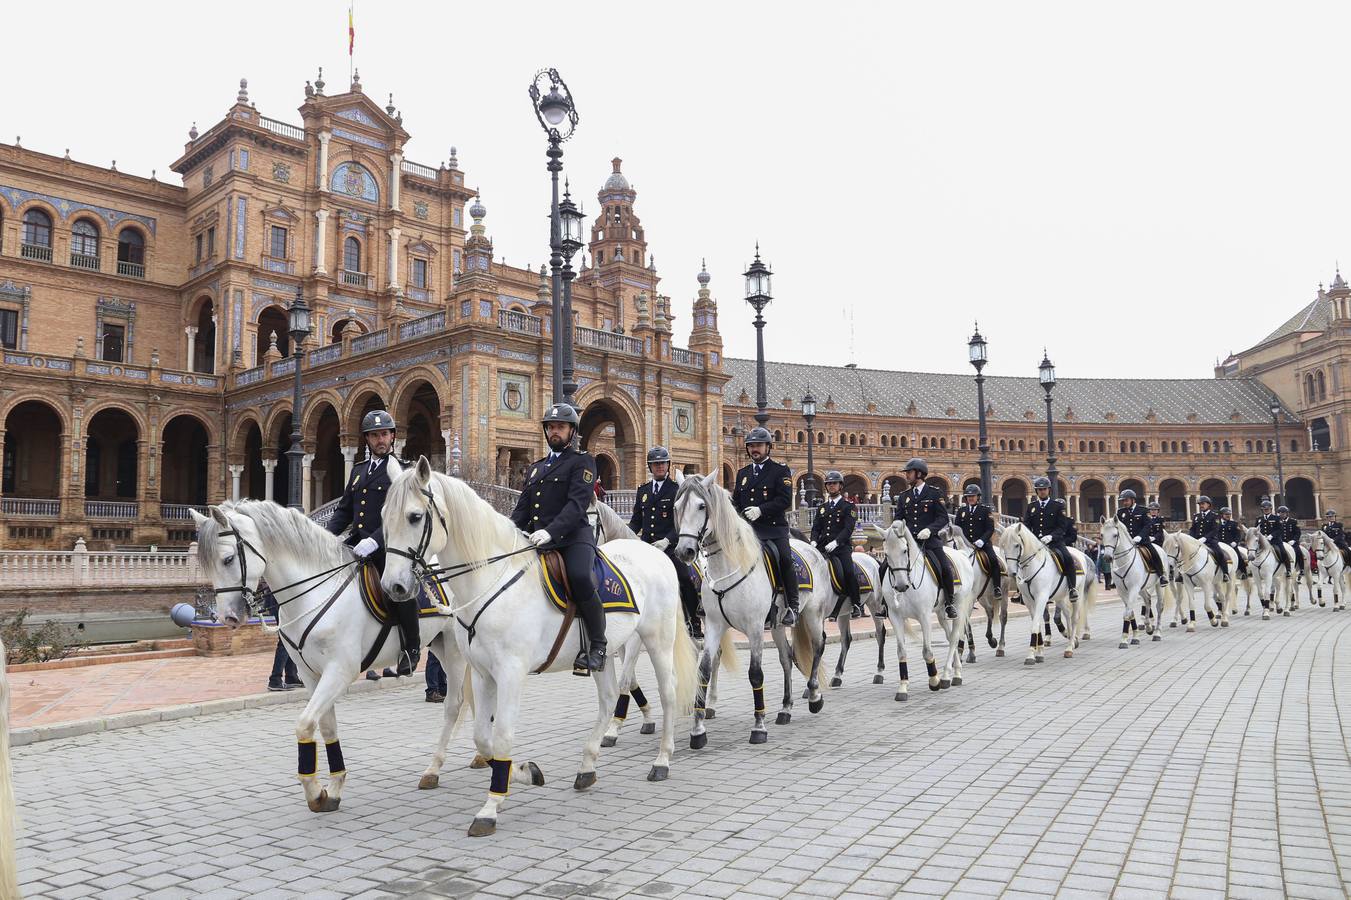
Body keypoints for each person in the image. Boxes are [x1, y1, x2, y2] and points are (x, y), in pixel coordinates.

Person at [510, 403, 607, 675]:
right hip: (539, 539)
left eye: (560, 427)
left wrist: (550, 531)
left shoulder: (582, 462)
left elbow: (576, 505)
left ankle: (598, 645)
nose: (555, 431)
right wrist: (507, 530)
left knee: (579, 576)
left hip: (573, 536)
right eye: (551, 427)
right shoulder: (536, 468)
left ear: (571, 431)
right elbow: (522, 508)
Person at [327, 409, 420, 676]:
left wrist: (375, 541)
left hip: (386, 544)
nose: (380, 439)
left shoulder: (401, 472)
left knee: (398, 587)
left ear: (392, 437)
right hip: (355, 541)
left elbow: (400, 516)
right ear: (367, 440)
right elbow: (344, 511)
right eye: (374, 435)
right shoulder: (358, 471)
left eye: (384, 434)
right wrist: (326, 537)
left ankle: (411, 647)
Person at [629, 446, 703, 639]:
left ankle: (695, 621)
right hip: (647, 547)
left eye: (663, 463)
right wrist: (627, 536)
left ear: (668, 465)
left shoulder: (677, 490)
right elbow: (637, 520)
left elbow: (682, 522)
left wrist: (667, 540)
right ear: (650, 467)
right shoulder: (643, 491)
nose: (660, 467)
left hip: (670, 547)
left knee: (685, 579)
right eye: (656, 464)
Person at [732, 426, 799, 626]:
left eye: (759, 445)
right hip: (749, 531)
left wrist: (761, 510)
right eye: (751, 446)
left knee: (785, 559)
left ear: (768, 447)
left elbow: (785, 499)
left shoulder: (780, 470)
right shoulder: (742, 473)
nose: (755, 449)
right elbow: (736, 501)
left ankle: (792, 605)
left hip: (773, 529)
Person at [894, 457, 957, 618]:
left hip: (930, 542)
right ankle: (884, 604)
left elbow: (943, 518)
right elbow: (898, 518)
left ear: (919, 473)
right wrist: (895, 528)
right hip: (909, 543)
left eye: (909, 472)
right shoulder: (904, 496)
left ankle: (950, 603)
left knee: (945, 569)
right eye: (906, 473)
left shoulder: (934, 493)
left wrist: (930, 530)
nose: (906, 475)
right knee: (886, 566)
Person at [812, 471, 862, 620]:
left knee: (848, 572)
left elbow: (848, 528)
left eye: (834, 483)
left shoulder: (848, 506)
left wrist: (836, 542)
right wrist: (813, 541)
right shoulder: (822, 507)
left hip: (841, 548)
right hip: (822, 547)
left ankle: (856, 604)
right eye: (828, 484)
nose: (831, 486)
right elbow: (816, 528)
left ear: (840, 486)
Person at [1022, 476, 1079, 600]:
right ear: (1036, 491)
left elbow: (1062, 527)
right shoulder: (1032, 506)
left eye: (1044, 489)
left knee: (1068, 558)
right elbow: (1027, 525)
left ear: (1049, 490)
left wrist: (1051, 536)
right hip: (1036, 544)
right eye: (1040, 489)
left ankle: (1072, 588)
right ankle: (1021, 592)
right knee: (1021, 561)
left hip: (1054, 543)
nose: (1042, 491)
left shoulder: (1057, 506)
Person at [955, 484, 1003, 599]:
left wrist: (982, 540)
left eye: (973, 496)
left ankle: (997, 587)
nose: (970, 498)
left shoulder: (985, 510)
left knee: (993, 560)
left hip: (983, 544)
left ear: (978, 497)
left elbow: (990, 528)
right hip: (966, 544)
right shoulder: (961, 510)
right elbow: (957, 528)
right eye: (968, 496)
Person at [1116, 489, 1164, 577]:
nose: (1124, 503)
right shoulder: (1120, 512)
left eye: (1126, 500)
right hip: (1127, 541)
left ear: (1133, 500)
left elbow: (1148, 525)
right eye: (1123, 501)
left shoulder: (1143, 510)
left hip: (1142, 541)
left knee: (1153, 553)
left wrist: (1140, 536)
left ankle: (1161, 575)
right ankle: (1115, 576)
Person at [1189, 495, 1229, 583]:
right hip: (1196, 541)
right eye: (1200, 504)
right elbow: (1192, 529)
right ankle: (1184, 574)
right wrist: (1190, 538)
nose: (1201, 506)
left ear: (1209, 505)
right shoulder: (1196, 516)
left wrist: (1205, 538)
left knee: (1220, 553)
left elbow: (1215, 529)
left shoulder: (1215, 516)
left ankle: (1225, 573)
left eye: (1203, 504)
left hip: (1210, 541)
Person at [1257, 498, 1289, 574]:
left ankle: (1288, 569)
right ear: (1262, 510)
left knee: (1283, 552)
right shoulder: (1259, 519)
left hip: (1275, 541)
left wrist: (1271, 536)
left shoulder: (1277, 518)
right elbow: (1256, 530)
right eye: (1264, 509)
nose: (1266, 510)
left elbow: (1280, 529)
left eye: (1267, 509)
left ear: (1271, 509)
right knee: (1253, 551)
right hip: (1262, 541)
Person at [1218, 507, 1249, 578]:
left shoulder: (1234, 524)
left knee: (1239, 556)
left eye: (1229, 514)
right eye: (1226, 514)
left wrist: (1235, 542)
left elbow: (1238, 535)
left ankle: (1243, 572)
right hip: (1220, 544)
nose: (1228, 516)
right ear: (1222, 515)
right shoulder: (1217, 524)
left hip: (1231, 545)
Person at [1279, 505, 1304, 575]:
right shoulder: (1278, 521)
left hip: (1291, 542)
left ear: (1287, 513)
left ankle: (1302, 568)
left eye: (1283, 513)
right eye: (1280, 513)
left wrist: (1294, 540)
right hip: (1281, 542)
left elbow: (1298, 533)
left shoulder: (1293, 521)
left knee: (1298, 552)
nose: (1282, 514)